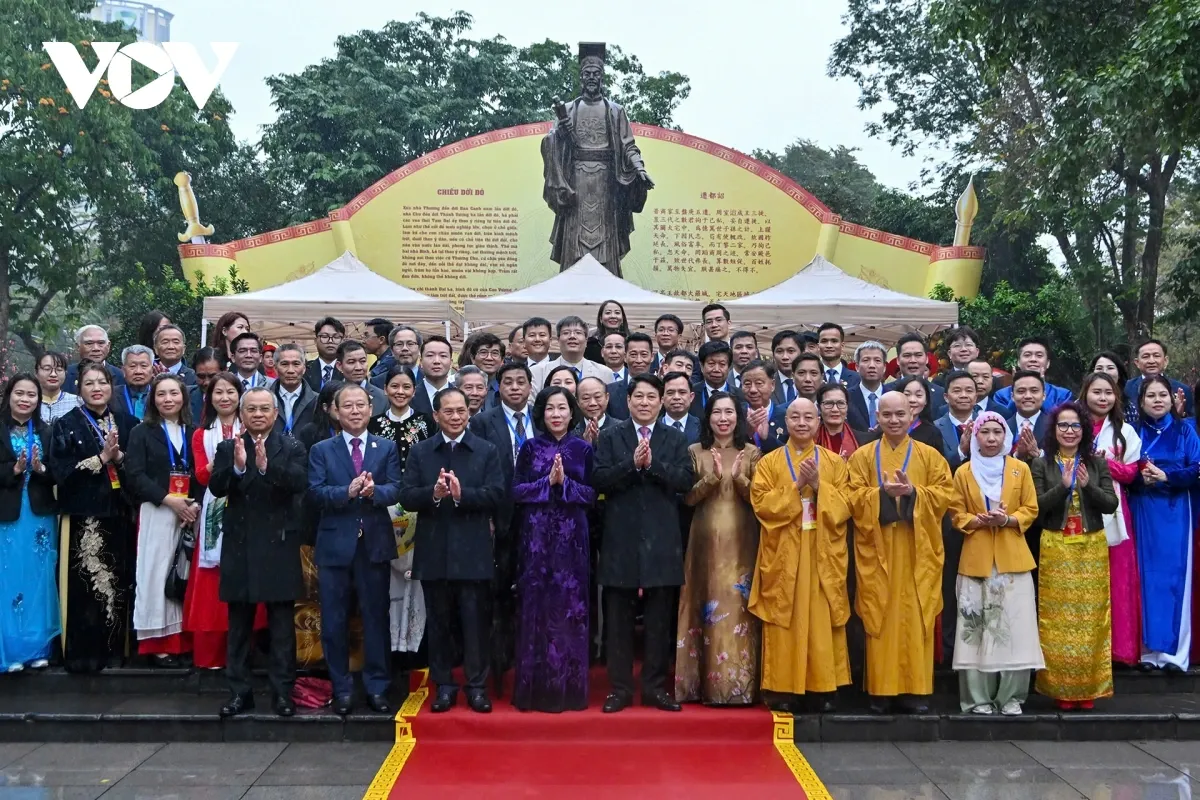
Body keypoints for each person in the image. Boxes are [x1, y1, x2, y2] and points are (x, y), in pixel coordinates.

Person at [400, 387, 505, 714]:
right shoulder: (421, 452)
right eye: (449, 411)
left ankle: (476, 687)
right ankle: (444, 686)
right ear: (436, 415)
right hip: (434, 551)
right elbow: (406, 496)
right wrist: (433, 493)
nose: (457, 416)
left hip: (472, 551)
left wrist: (462, 496)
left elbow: (497, 494)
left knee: (475, 624)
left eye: (462, 410)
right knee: (439, 624)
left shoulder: (486, 450)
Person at [593, 374, 694, 713]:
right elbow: (598, 479)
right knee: (618, 621)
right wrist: (631, 465)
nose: (645, 402)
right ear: (628, 401)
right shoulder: (610, 437)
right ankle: (619, 689)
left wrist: (652, 467)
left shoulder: (675, 439)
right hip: (620, 539)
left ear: (662, 401)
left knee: (658, 621)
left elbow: (684, 480)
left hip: (663, 540)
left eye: (652, 397)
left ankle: (654, 687)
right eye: (639, 396)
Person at [848, 392, 953, 714]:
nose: (894, 421)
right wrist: (880, 494)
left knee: (915, 616)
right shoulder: (863, 457)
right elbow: (850, 497)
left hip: (916, 549)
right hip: (877, 548)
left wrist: (913, 493)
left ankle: (915, 691)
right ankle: (880, 691)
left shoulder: (930, 456)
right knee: (879, 614)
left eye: (900, 415)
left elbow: (945, 494)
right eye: (887, 415)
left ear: (912, 416)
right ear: (877, 418)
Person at [209, 387, 309, 717]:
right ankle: (239, 692)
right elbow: (216, 487)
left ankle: (283, 693)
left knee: (282, 626)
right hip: (240, 546)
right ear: (241, 414)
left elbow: (299, 482)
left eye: (265, 408)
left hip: (278, 544)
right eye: (251, 409)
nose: (258, 414)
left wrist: (267, 468)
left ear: (276, 413)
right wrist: (238, 468)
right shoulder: (228, 447)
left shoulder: (292, 445)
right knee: (239, 625)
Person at [749, 397, 851, 711]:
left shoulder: (833, 463)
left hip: (821, 549)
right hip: (784, 551)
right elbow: (761, 504)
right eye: (796, 417)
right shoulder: (769, 462)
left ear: (819, 422)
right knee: (784, 617)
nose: (802, 423)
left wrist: (820, 486)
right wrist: (797, 486)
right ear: (786, 421)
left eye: (809, 417)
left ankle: (822, 688)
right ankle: (781, 689)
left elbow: (848, 505)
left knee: (820, 617)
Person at [309, 383, 405, 715]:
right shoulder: (322, 449)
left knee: (376, 618)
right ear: (335, 411)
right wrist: (346, 492)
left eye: (360, 405)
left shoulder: (386, 447)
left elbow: (396, 489)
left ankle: (377, 687)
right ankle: (342, 688)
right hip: (335, 546)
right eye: (347, 405)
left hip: (373, 545)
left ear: (370, 409)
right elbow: (315, 493)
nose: (354, 410)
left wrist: (373, 492)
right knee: (334, 621)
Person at [948, 412, 1043, 716]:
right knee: (975, 631)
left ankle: (1011, 697)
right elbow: (955, 513)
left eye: (996, 432)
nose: (991, 438)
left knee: (1016, 629)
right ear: (974, 436)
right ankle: (977, 699)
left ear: (1006, 437)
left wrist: (1008, 519)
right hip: (975, 558)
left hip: (1013, 558)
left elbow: (1031, 507)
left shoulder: (1019, 470)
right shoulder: (963, 472)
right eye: (984, 432)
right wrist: (976, 520)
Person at [509, 386, 595, 712]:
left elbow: (591, 494)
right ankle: (535, 691)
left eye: (562, 408)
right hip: (536, 537)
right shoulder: (529, 448)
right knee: (536, 607)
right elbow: (516, 491)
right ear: (542, 414)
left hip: (573, 539)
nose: (556, 414)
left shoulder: (583, 448)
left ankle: (569, 691)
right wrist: (548, 483)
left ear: (572, 413)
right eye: (550, 409)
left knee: (570, 609)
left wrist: (566, 484)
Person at [50, 362, 137, 672]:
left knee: (119, 584)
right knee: (86, 587)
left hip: (119, 513)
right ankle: (83, 655)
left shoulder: (128, 423)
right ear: (79, 388)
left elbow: (139, 471)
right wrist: (101, 458)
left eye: (102, 382)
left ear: (112, 387)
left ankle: (116, 651)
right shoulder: (65, 424)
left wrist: (120, 458)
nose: (96, 388)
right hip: (84, 517)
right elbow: (61, 474)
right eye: (89, 383)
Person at [676, 393, 762, 705]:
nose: (723, 418)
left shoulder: (752, 453)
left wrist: (740, 479)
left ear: (738, 417)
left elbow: (760, 501)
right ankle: (700, 685)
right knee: (704, 602)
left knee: (738, 604)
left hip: (742, 541)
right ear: (708, 417)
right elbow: (687, 499)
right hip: (703, 541)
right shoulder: (694, 451)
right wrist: (711, 478)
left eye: (729, 412)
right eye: (717, 412)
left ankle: (739, 686)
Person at [1031, 402, 1119, 708]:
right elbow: (1037, 508)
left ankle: (1089, 689)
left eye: (1075, 426)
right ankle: (1060, 689)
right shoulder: (1042, 465)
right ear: (1053, 430)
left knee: (1091, 620)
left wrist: (1086, 486)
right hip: (1055, 547)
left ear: (1085, 430)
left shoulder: (1096, 464)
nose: (1069, 432)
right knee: (1057, 621)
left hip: (1090, 547)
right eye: (1063, 426)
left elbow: (1110, 504)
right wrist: (1064, 487)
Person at [468, 362, 534, 696]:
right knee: (498, 595)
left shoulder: (546, 415)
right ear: (499, 387)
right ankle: (499, 661)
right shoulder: (482, 422)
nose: (514, 388)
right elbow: (477, 470)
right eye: (507, 382)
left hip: (539, 519)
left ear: (529, 385)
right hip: (499, 519)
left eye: (521, 382)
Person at [368, 364, 436, 678]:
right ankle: (392, 647)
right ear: (385, 389)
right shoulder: (373, 424)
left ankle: (417, 646)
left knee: (417, 578)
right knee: (390, 579)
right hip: (382, 510)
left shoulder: (425, 422)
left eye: (406, 387)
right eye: (394, 386)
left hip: (419, 508)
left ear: (414, 389)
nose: (400, 392)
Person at [126, 373, 198, 666]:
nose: (168, 399)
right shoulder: (141, 432)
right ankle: (157, 643)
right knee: (155, 574)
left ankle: (183, 639)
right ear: (153, 400)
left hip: (188, 513)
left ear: (184, 397)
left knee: (183, 574)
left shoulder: (193, 431)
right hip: (157, 510)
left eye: (174, 393)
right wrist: (169, 501)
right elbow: (134, 475)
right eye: (161, 394)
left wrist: (190, 506)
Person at [1129, 376, 1200, 672]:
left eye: (1163, 395)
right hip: (1143, 509)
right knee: (1145, 578)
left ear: (1173, 399)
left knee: (1174, 579)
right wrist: (1138, 477)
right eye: (1151, 396)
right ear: (1141, 401)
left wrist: (1167, 476)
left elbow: (1197, 468)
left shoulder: (1186, 431)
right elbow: (1121, 469)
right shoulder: (1132, 432)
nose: (1157, 400)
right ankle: (1147, 652)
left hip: (1175, 511)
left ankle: (1175, 655)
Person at [185, 372, 250, 670]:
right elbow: (200, 475)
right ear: (209, 398)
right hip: (214, 508)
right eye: (218, 393)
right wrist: (225, 456)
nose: (225, 398)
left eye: (230, 392)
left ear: (240, 396)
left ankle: (244, 651)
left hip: (249, 505)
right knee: (212, 584)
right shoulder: (201, 434)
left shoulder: (251, 427)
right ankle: (212, 655)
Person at [1081, 372, 1143, 668]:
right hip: (1079, 508)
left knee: (1118, 578)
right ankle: (1087, 648)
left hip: (1116, 509)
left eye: (1108, 392)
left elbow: (1132, 473)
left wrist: (1105, 463)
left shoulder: (1125, 431)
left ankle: (1119, 649)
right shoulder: (1073, 427)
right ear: (1085, 394)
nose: (1102, 398)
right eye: (1096, 392)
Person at [0, 375, 58, 671]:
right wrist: (15, 469)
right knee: (7, 579)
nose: (25, 399)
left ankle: (37, 646)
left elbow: (57, 473)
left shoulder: (47, 431)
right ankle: (10, 651)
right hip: (7, 515)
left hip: (39, 517)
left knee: (39, 580)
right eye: (19, 393)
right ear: (9, 395)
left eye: (31, 395)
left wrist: (39, 468)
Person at [993, 337, 1073, 414]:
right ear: (1018, 362)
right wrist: (1016, 389)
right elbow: (1003, 421)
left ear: (1048, 363)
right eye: (1027, 355)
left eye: (1039, 355)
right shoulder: (1001, 396)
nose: (1033, 359)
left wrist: (1042, 389)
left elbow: (1060, 423)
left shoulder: (1063, 395)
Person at [530, 316, 609, 391]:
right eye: (566, 333)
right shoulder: (538, 372)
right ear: (558, 340)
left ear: (586, 340)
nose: (572, 336)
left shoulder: (603, 373)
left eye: (578, 333)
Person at [885, 334, 948, 418]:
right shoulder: (886, 391)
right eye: (907, 355)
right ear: (898, 360)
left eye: (918, 355)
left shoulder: (940, 393)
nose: (913, 360)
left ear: (926, 359)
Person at [1127, 339, 1192, 417]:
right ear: (1137, 363)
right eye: (1146, 356)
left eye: (1156, 356)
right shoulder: (1126, 388)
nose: (1151, 361)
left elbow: (1192, 422)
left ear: (1165, 361)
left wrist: (1179, 416)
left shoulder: (1182, 390)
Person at [933, 372, 981, 470]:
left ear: (976, 397)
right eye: (957, 391)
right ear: (946, 397)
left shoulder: (987, 425)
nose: (963, 395)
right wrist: (961, 451)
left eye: (969, 391)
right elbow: (935, 467)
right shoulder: (934, 429)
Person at [271, 344, 318, 437]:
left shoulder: (317, 400)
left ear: (304, 368)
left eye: (296, 364)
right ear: (275, 368)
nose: (290, 370)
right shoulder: (264, 400)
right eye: (284, 364)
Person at [64, 325, 126, 393]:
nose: (96, 348)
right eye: (89, 343)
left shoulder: (118, 374)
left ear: (108, 346)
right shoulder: (65, 374)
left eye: (101, 343)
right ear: (77, 347)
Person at [742, 360, 787, 454]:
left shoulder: (785, 416)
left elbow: (789, 453)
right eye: (747, 384)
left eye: (759, 383)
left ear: (772, 385)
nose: (753, 390)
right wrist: (748, 433)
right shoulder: (736, 414)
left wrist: (766, 438)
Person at [691, 341, 745, 417]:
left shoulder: (741, 396)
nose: (716, 369)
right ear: (702, 366)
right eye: (711, 364)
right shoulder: (690, 393)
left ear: (729, 367)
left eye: (722, 364)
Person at [1007, 371, 1050, 463]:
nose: (1028, 396)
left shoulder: (1054, 426)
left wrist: (1039, 454)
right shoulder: (1002, 426)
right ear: (1012, 396)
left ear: (1044, 395)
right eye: (1021, 391)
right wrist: (1017, 456)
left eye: (1034, 391)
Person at [816, 382, 867, 460]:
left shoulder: (863, 441)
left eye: (841, 403)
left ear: (847, 407)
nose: (835, 409)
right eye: (829, 403)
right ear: (819, 407)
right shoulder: (811, 440)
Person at [336, 340, 388, 415]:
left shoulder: (383, 398)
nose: (358, 367)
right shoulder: (333, 395)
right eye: (351, 362)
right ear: (339, 366)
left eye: (362, 361)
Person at [410, 336, 454, 418]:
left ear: (451, 363)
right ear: (421, 362)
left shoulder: (461, 396)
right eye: (430, 355)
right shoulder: (409, 397)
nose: (436, 361)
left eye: (443, 356)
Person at [1091, 351, 1139, 425]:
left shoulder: (1129, 408)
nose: (1104, 372)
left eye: (1110, 368)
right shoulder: (1079, 406)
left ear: (1119, 374)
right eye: (1099, 368)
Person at [849, 341, 887, 431]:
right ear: (857, 367)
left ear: (884, 367)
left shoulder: (894, 396)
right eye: (866, 360)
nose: (872, 365)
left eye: (877, 360)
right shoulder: (847, 397)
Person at [816, 323, 862, 393]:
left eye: (834, 341)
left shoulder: (857, 378)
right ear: (818, 346)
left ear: (842, 346)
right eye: (824, 341)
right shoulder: (812, 377)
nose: (829, 345)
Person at [36, 350, 78, 424]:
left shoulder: (78, 403)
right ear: (36, 373)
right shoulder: (29, 402)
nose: (53, 374)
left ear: (65, 373)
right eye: (47, 369)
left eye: (59, 369)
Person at [305, 317, 346, 391]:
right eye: (325, 336)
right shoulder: (304, 369)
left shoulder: (348, 369)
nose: (330, 341)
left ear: (342, 341)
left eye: (336, 337)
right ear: (315, 341)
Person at [660, 371, 701, 445]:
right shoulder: (651, 428)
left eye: (682, 392)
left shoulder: (702, 427)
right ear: (662, 398)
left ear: (691, 397)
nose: (676, 397)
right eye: (670, 393)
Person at [116, 345, 155, 420]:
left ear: (152, 371)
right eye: (132, 366)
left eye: (143, 366)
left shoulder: (159, 394)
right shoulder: (112, 396)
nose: (138, 371)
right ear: (123, 371)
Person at [585, 300, 630, 364]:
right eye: (608, 313)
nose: (613, 316)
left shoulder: (631, 339)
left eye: (617, 313)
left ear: (623, 318)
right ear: (600, 318)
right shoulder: (590, 341)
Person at [770, 331, 804, 405]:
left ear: (802, 353)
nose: (785, 357)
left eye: (791, 351)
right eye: (779, 351)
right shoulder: (767, 384)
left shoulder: (811, 382)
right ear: (773, 355)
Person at [189, 348, 221, 426]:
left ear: (225, 372)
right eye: (201, 376)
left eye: (212, 376)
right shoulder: (185, 398)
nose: (207, 382)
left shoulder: (236, 399)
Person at [363, 318, 395, 383]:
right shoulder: (379, 362)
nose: (363, 341)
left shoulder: (391, 362)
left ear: (381, 340)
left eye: (366, 336)